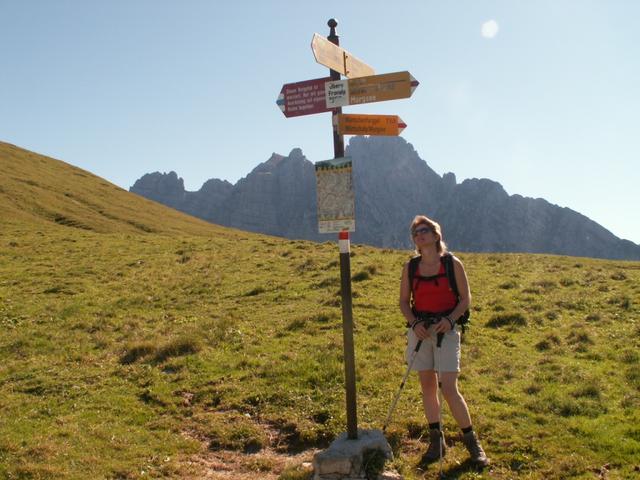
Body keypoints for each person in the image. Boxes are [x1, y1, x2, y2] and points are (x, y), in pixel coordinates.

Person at [399, 215, 489, 467]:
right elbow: (404, 302)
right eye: (415, 233)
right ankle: (436, 441)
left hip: (446, 332)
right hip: (421, 332)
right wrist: (415, 324)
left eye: (424, 230)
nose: (419, 235)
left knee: (448, 388)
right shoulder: (411, 267)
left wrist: (450, 321)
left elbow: (465, 299)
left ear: (437, 235)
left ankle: (472, 443)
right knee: (427, 386)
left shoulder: (452, 264)